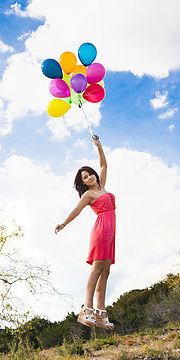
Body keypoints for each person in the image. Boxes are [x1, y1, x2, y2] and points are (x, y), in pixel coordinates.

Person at [55, 137, 115, 330]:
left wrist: (99, 147)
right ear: (83, 183)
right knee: (97, 269)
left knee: (105, 272)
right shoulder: (88, 195)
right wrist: (63, 223)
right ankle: (87, 308)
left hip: (111, 232)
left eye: (90, 175)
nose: (90, 178)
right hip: (101, 230)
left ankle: (101, 312)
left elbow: (104, 164)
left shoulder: (103, 187)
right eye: (85, 178)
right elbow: (76, 210)